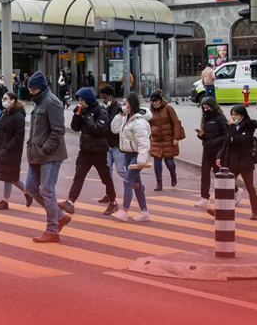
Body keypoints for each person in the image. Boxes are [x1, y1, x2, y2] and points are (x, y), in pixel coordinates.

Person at [23, 72, 70, 243]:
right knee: (30, 187)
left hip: (50, 155)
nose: (31, 92)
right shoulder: (40, 102)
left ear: (41, 88)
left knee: (47, 191)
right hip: (36, 155)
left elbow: (58, 130)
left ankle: (52, 229)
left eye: (33, 89)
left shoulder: (52, 103)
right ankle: (59, 216)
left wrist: (46, 149)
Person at [60, 87, 117, 216]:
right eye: (79, 100)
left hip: (99, 151)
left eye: (82, 100)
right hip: (85, 150)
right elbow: (75, 127)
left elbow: (99, 129)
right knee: (79, 176)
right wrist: (77, 116)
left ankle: (113, 201)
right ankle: (71, 201)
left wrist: (87, 117)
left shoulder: (100, 111)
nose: (81, 103)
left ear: (88, 99)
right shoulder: (84, 112)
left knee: (105, 177)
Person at [110, 93, 152, 223]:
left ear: (131, 105)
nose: (123, 106)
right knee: (136, 184)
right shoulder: (126, 119)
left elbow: (143, 142)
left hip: (136, 155)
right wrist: (120, 115)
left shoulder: (139, 122)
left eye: (125, 104)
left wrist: (141, 158)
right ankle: (144, 211)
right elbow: (114, 129)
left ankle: (124, 211)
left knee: (128, 180)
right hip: (127, 153)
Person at [214, 106, 257, 220]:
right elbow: (227, 143)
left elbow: (240, 140)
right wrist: (219, 156)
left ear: (242, 116)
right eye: (232, 115)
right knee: (227, 187)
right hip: (233, 161)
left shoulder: (249, 127)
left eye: (235, 115)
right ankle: (220, 210)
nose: (233, 117)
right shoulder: (231, 128)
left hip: (245, 161)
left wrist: (233, 127)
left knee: (250, 186)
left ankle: (254, 211)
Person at [0, 93, 29, 210]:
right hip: (0, 149)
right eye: (3, 98)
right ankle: (27, 191)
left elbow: (19, 136)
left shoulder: (18, 116)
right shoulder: (3, 113)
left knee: (8, 175)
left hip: (11, 151)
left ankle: (5, 201)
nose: (3, 101)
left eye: (6, 99)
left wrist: (7, 147)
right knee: (10, 176)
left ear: (13, 100)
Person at [195, 97, 231, 208]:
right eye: (203, 108)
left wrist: (214, 142)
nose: (205, 110)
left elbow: (226, 135)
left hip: (217, 151)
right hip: (207, 150)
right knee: (204, 174)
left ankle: (231, 192)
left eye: (207, 107)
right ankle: (204, 197)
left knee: (218, 175)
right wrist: (201, 135)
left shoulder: (220, 118)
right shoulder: (205, 119)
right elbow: (207, 136)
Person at [147, 90, 185, 191]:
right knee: (157, 162)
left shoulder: (168, 108)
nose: (154, 103)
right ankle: (159, 183)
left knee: (169, 162)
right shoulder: (150, 110)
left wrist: (176, 138)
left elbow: (176, 123)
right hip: (156, 140)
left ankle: (173, 174)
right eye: (153, 101)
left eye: (156, 101)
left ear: (160, 100)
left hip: (168, 138)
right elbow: (148, 124)